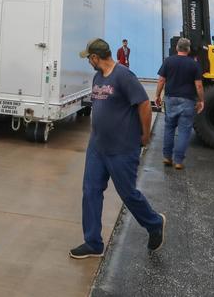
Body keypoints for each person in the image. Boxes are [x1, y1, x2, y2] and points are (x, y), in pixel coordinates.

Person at [69, 38, 165, 259]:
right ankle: (93, 242)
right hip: (97, 146)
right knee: (91, 191)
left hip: (122, 148)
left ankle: (154, 222)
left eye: (89, 58)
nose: (89, 62)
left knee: (127, 193)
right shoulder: (97, 77)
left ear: (95, 57)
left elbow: (143, 103)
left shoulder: (123, 75)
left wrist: (145, 134)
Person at [153, 38, 205, 170]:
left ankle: (167, 157)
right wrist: (201, 100)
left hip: (170, 99)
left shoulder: (168, 61)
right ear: (188, 49)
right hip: (188, 101)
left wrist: (157, 96)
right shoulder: (194, 64)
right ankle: (178, 161)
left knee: (169, 128)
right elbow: (198, 85)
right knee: (184, 131)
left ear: (177, 48)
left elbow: (161, 81)